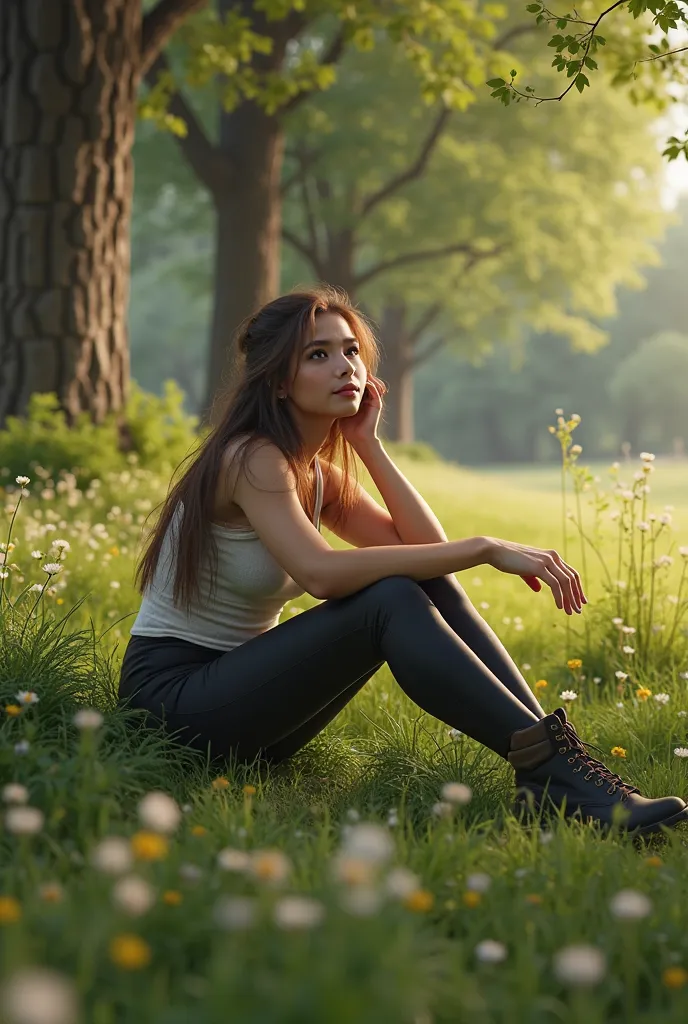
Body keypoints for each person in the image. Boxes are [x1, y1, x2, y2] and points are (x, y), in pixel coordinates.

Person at [118, 285, 687, 838]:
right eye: (319, 355)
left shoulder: (314, 472)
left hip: (248, 708)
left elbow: (424, 553)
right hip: (173, 707)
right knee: (389, 596)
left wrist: (370, 447)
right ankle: (555, 772)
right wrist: (486, 547)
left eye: (350, 351)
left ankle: (556, 767)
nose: (347, 367)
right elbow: (320, 575)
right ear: (279, 381)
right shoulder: (253, 459)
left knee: (415, 580)